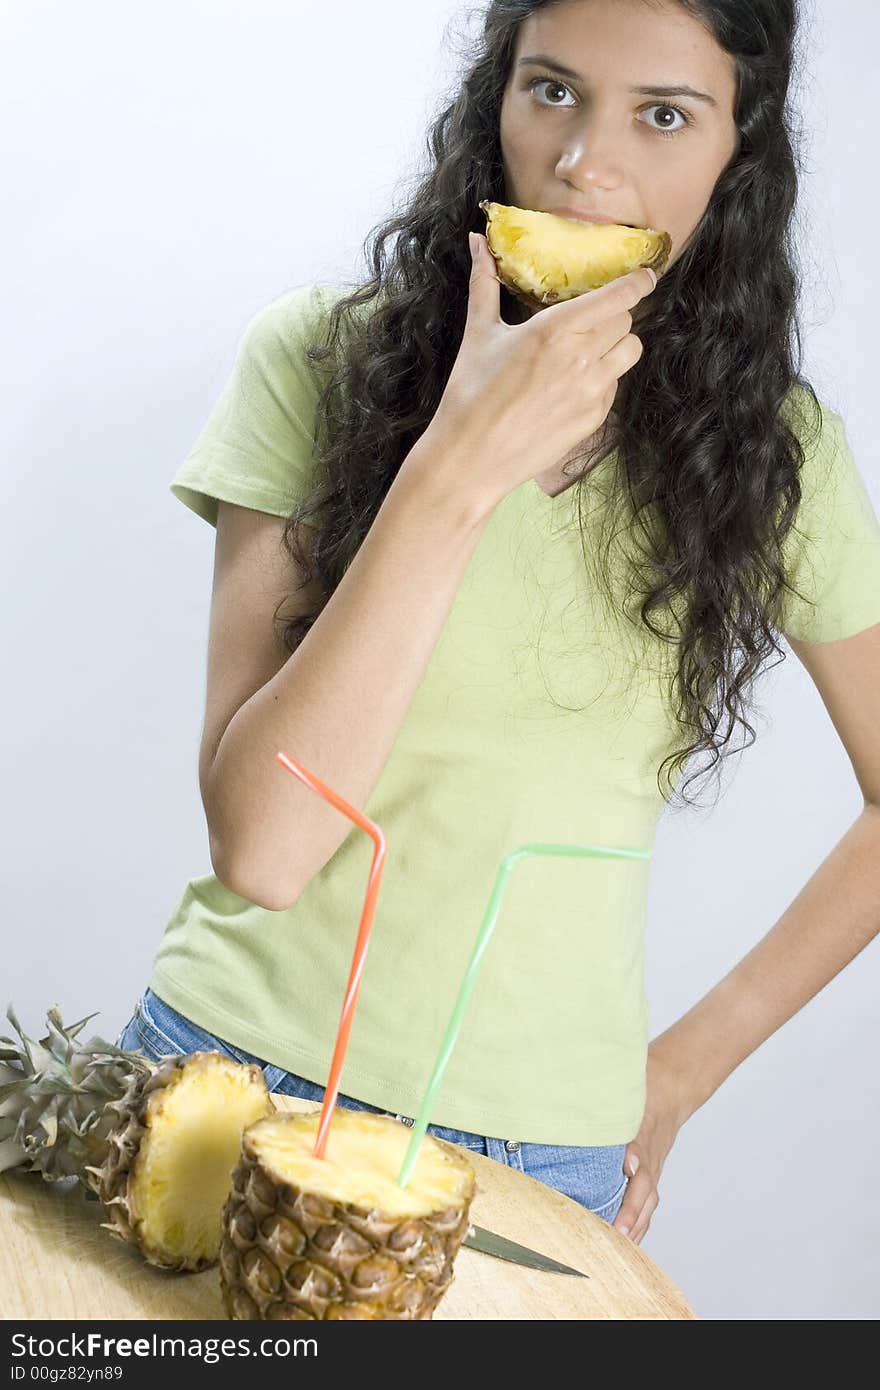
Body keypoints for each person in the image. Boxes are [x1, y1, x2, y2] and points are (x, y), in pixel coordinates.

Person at [118, 0, 880, 1244]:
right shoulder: (317, 359)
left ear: (739, 157)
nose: (586, 162)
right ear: (494, 102)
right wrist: (457, 468)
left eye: (665, 114)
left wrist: (684, 1066)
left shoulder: (777, 457)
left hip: (535, 1162)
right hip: (225, 1077)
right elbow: (262, 846)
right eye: (551, 91)